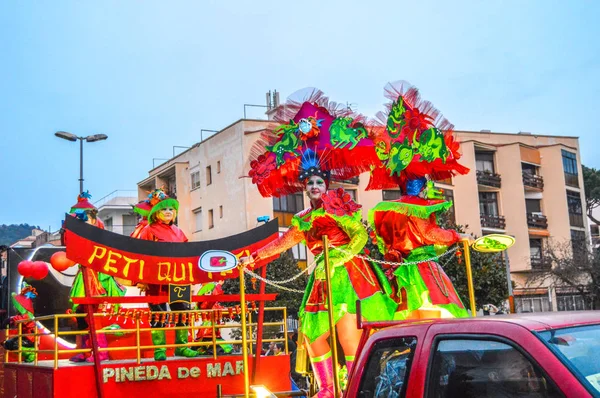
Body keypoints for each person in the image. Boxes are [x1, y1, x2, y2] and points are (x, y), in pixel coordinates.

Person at [244, 91, 397, 397]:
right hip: (321, 280)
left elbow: (361, 235)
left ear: (327, 185)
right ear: (304, 187)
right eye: (310, 183)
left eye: (319, 182)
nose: (315, 186)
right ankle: (327, 387)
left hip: (349, 277)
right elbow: (281, 244)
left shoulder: (339, 205)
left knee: (349, 336)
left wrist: (339, 257)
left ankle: (352, 388)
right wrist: (251, 258)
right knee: (313, 333)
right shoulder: (302, 219)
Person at [366, 82, 470, 320]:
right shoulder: (416, 210)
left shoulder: (388, 211)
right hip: (423, 272)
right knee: (443, 318)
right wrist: (457, 237)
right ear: (422, 185)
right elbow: (430, 233)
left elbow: (384, 243)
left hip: (402, 273)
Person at [135, 190, 198, 360]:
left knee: (182, 311)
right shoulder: (148, 230)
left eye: (171, 209)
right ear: (156, 213)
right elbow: (140, 256)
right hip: (156, 281)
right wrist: (143, 279)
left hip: (179, 278)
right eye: (164, 209)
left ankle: (182, 346)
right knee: (158, 313)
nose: (168, 212)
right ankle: (159, 349)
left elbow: (187, 254)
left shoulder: (179, 231)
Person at [68, 191, 126, 362]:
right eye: (80, 217)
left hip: (99, 277)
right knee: (82, 316)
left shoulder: (101, 238)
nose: (83, 220)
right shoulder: (76, 238)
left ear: (94, 219)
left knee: (97, 317)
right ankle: (85, 350)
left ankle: (100, 352)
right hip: (84, 277)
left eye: (87, 217)